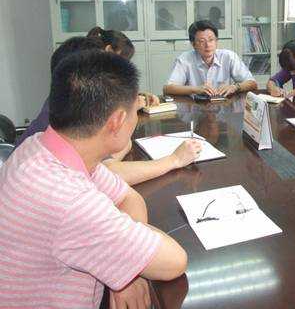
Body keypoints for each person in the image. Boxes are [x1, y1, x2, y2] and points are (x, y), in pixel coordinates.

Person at [0, 50, 188, 308]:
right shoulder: (70, 201)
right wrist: (127, 256)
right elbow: (174, 261)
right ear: (117, 121)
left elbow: (128, 197)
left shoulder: (42, 146)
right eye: (135, 110)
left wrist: (124, 265)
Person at [16, 35, 202, 186]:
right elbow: (110, 171)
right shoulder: (63, 182)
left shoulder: (62, 107)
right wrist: (174, 160)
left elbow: (109, 160)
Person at [164, 20, 257, 97]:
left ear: (216, 41)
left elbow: (252, 83)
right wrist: (196, 89)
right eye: (202, 41)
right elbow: (168, 88)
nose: (207, 45)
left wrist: (235, 87)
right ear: (193, 44)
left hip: (223, 108)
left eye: (211, 40)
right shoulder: (184, 59)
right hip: (194, 108)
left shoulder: (228, 56)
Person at [87, 26, 159, 107]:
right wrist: (134, 104)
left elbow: (113, 95)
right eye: (122, 60)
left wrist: (141, 97)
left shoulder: (102, 69)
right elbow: (101, 107)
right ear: (109, 50)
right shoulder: (88, 73)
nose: (123, 66)